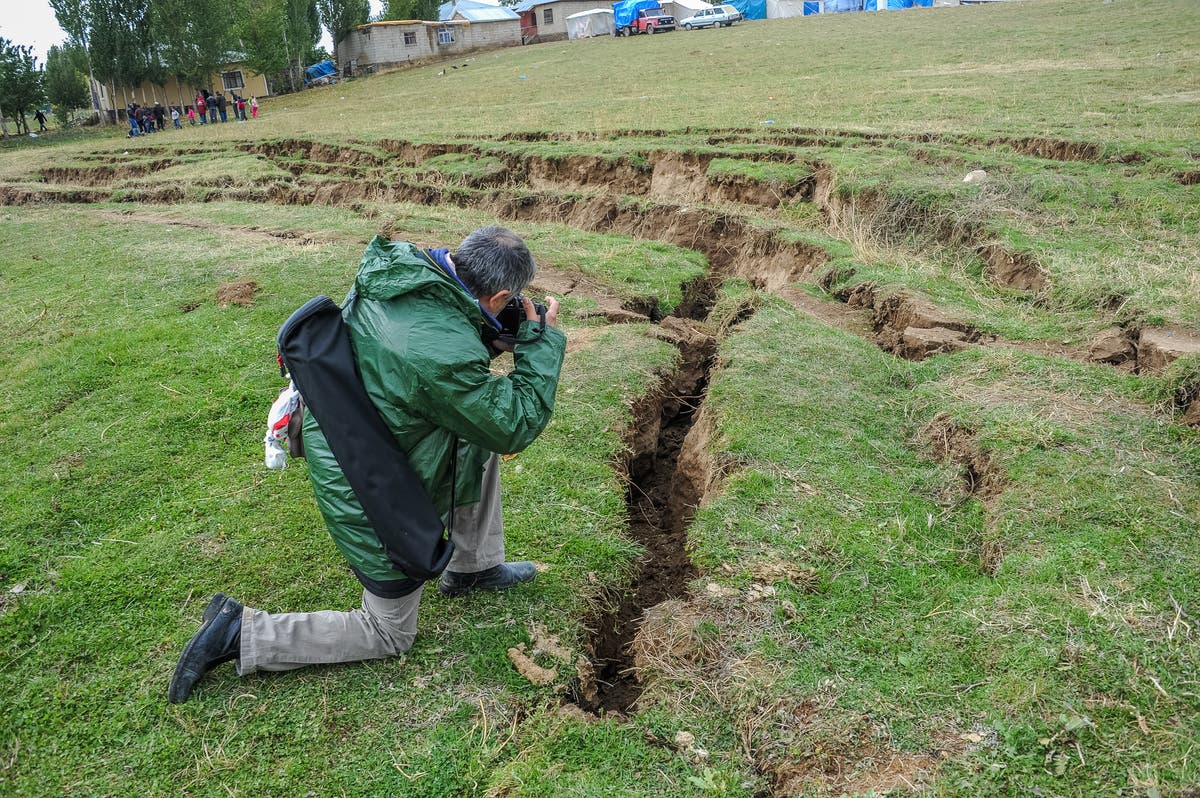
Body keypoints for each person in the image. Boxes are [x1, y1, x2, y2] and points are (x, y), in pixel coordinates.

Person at [167, 227, 567, 703]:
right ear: (500, 295)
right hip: (366, 480)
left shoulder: (408, 275)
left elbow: (435, 356)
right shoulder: (435, 350)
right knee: (388, 631)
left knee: (471, 432)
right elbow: (511, 424)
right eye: (509, 305)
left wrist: (493, 332)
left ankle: (473, 568)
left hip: (356, 431)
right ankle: (241, 634)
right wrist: (541, 342)